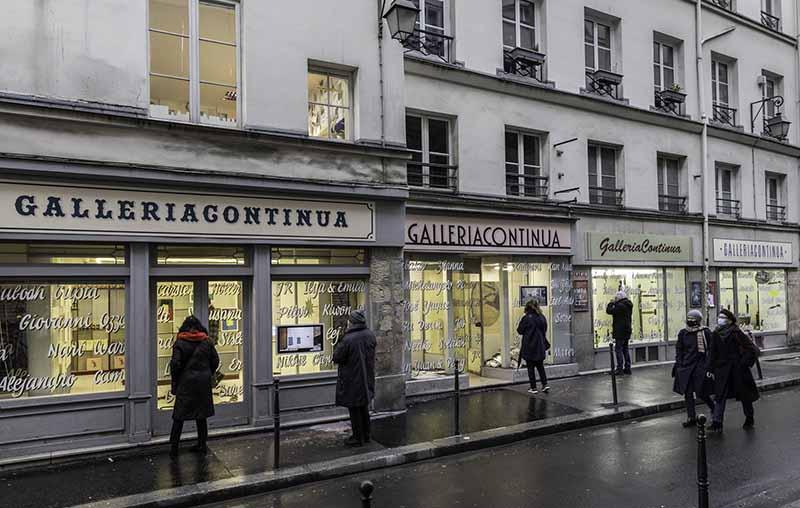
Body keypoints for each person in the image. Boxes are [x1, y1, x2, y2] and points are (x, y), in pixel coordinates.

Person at [169, 315, 220, 458]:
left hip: (186, 383)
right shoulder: (207, 341)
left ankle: (174, 448)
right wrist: (207, 372)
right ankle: (202, 445)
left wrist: (175, 380)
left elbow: (175, 364)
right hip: (202, 383)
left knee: (179, 416)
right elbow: (215, 360)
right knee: (201, 415)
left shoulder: (180, 342)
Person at [706, 308, 760, 433]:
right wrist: (710, 368)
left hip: (737, 369)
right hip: (722, 369)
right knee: (720, 395)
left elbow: (752, 349)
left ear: (730, 321)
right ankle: (717, 422)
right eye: (719, 317)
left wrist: (743, 363)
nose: (720, 320)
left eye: (723, 318)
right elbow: (712, 352)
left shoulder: (736, 332)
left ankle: (749, 417)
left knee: (744, 394)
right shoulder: (716, 333)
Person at [333, 309, 376, 447]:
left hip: (352, 378)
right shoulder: (370, 335)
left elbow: (337, 357)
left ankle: (357, 438)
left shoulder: (348, 339)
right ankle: (366, 435)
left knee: (354, 409)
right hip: (366, 377)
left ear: (352, 322)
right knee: (363, 407)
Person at [672, 309, 715, 427]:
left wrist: (708, 366)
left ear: (698, 321)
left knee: (701, 392)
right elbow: (679, 349)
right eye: (688, 319)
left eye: (693, 319)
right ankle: (691, 417)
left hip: (699, 366)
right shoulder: (683, 333)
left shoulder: (705, 332)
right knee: (688, 393)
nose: (690, 321)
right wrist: (679, 363)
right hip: (686, 367)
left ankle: (714, 408)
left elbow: (711, 350)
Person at [517, 299, 550, 394]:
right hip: (540, 345)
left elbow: (520, 330)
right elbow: (545, 329)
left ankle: (533, 387)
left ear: (527, 308)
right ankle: (545, 385)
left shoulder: (526, 318)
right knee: (540, 366)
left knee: (530, 367)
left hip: (529, 346)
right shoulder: (542, 317)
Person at [606, 290, 633, 375]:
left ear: (619, 298)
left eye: (616, 298)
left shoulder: (620, 306)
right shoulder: (628, 305)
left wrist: (611, 303)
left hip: (620, 331)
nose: (615, 299)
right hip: (627, 330)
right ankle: (627, 368)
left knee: (619, 350)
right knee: (625, 349)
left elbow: (609, 311)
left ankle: (619, 369)